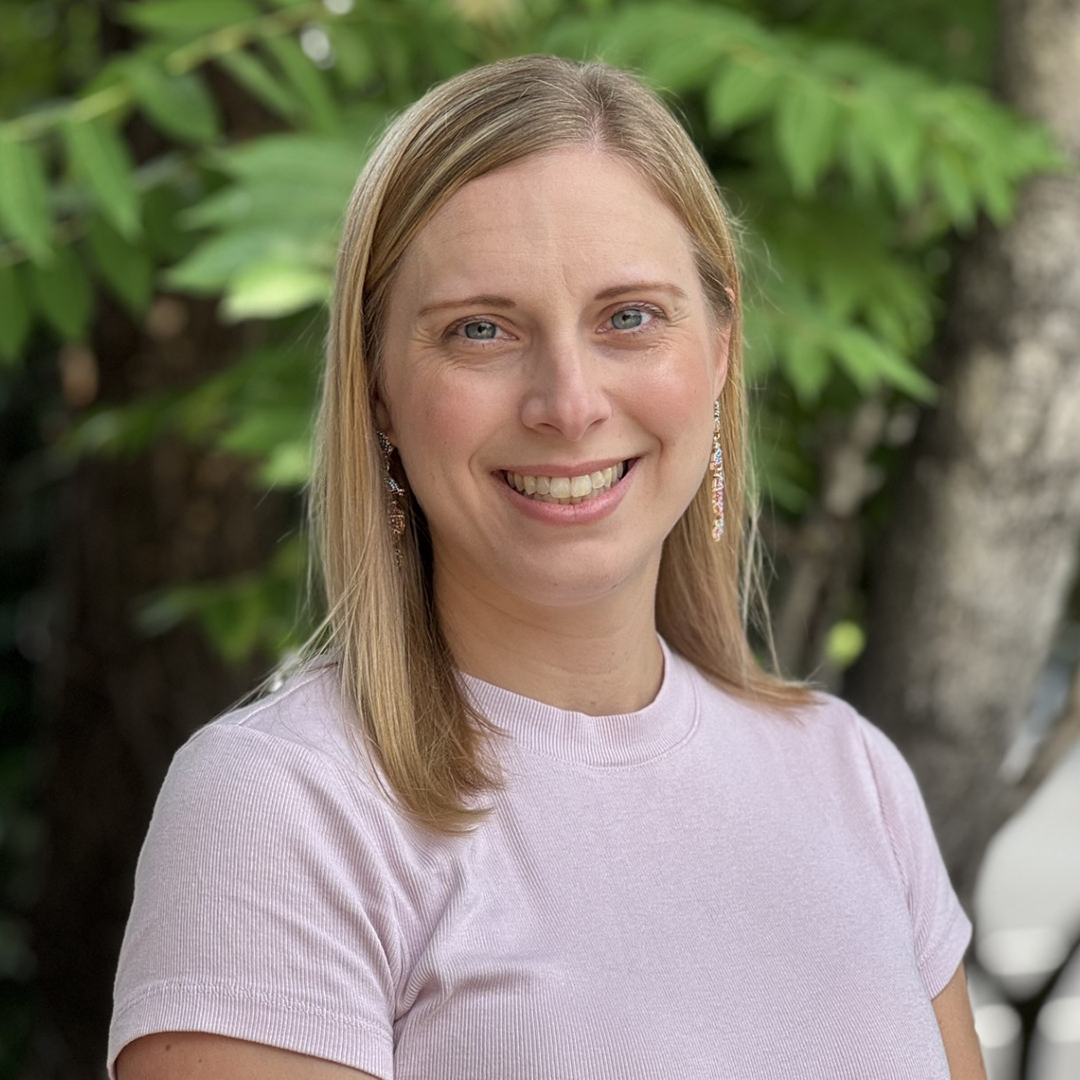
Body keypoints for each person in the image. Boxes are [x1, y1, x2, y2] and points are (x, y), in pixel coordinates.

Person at [109, 55, 986, 1080]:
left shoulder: (850, 774)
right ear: (378, 387)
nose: (567, 404)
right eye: (481, 329)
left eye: (630, 317)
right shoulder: (288, 805)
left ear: (717, 350)